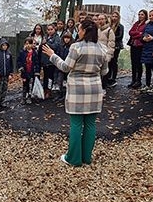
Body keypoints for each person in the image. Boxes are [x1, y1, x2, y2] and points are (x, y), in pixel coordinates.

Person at [42, 19, 109, 167]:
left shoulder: (76, 47)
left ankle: (73, 158)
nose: (78, 31)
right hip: (95, 89)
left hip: (77, 90)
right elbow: (105, 71)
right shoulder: (102, 48)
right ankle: (86, 157)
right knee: (91, 124)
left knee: (76, 124)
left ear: (84, 31)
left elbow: (66, 67)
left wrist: (53, 55)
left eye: (79, 29)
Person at [17, 38, 41, 105]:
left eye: (29, 44)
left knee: (31, 85)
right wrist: (21, 67)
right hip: (25, 71)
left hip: (32, 71)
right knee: (25, 85)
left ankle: (29, 97)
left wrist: (37, 71)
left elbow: (37, 62)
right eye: (26, 44)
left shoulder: (34, 53)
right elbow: (19, 61)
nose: (28, 45)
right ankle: (24, 97)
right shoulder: (22, 52)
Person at [0, 38, 14, 110]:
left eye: (6, 45)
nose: (4, 46)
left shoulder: (9, 54)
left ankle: (2, 101)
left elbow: (11, 64)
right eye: (3, 45)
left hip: (6, 75)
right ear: (0, 46)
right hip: (0, 75)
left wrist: (11, 74)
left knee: (5, 88)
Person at [127, 9, 147, 88]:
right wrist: (138, 33)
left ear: (145, 15)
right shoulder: (136, 23)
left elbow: (143, 34)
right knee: (133, 63)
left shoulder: (146, 24)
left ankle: (138, 80)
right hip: (133, 45)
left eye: (142, 14)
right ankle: (133, 79)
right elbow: (130, 32)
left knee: (139, 63)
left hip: (140, 45)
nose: (140, 16)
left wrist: (137, 34)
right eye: (139, 14)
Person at [41, 23, 60, 98]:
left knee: (50, 76)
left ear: (54, 29)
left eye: (51, 29)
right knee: (45, 76)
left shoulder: (57, 37)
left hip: (51, 60)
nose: (50, 31)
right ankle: (45, 89)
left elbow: (56, 46)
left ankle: (49, 90)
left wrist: (47, 43)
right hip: (45, 60)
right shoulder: (45, 37)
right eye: (48, 30)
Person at [53, 32, 73, 100]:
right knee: (59, 80)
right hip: (61, 65)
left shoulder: (72, 47)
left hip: (68, 66)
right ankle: (60, 94)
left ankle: (67, 94)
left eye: (68, 38)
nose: (66, 40)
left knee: (68, 81)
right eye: (65, 38)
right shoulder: (61, 46)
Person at [107, 11, 124, 87]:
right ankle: (108, 77)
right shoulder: (109, 26)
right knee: (108, 61)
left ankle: (113, 78)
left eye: (116, 16)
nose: (114, 18)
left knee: (114, 61)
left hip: (116, 46)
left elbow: (120, 36)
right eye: (113, 16)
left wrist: (111, 38)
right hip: (109, 45)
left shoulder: (120, 26)